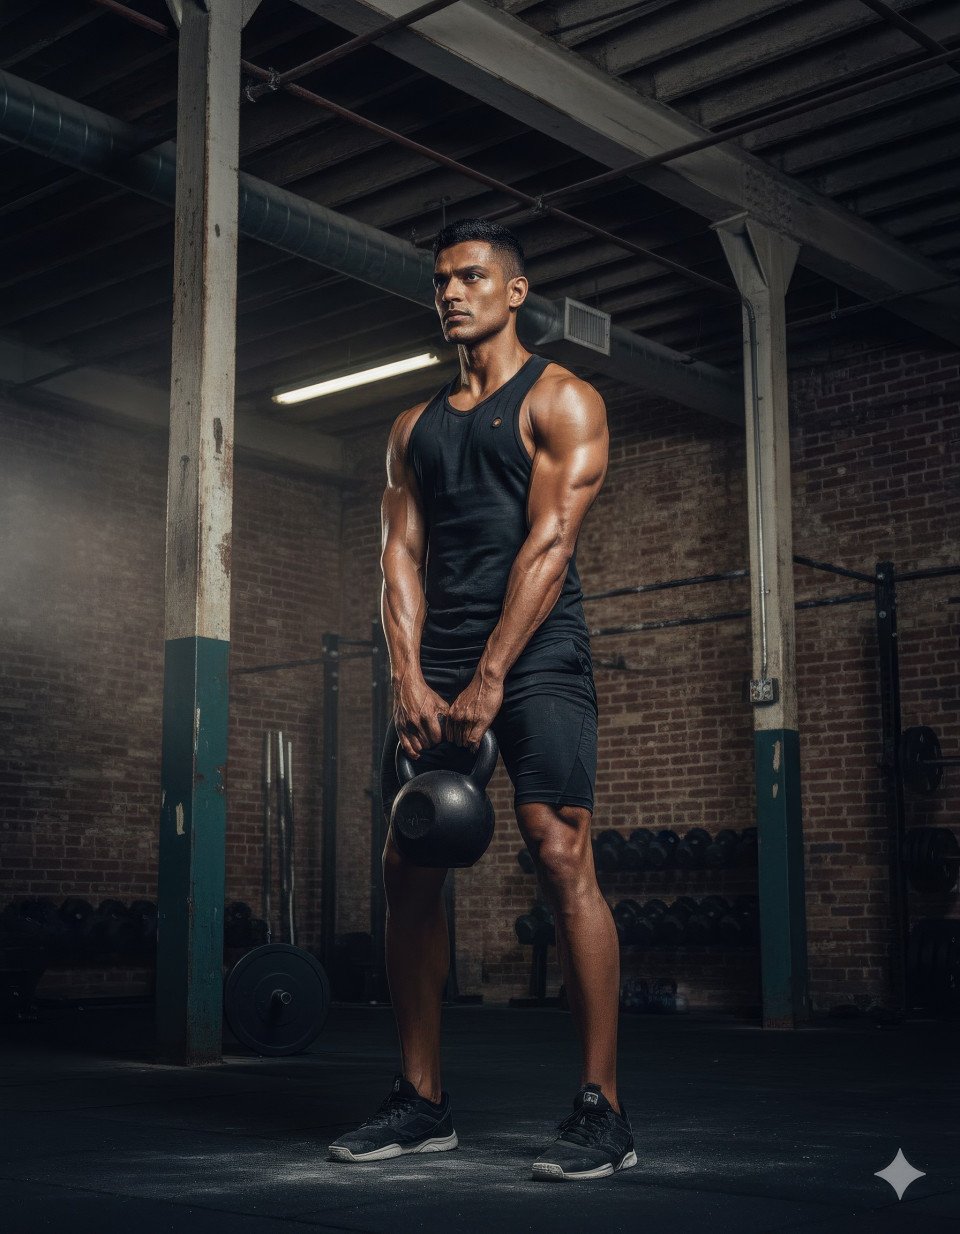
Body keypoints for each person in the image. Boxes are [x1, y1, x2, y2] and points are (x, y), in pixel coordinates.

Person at [328, 218, 635, 1181]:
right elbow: (399, 558)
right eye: (441, 283)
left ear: (515, 291)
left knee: (558, 843)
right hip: (440, 651)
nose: (452, 294)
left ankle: (603, 1111)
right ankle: (421, 1101)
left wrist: (493, 674)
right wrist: (407, 674)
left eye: (470, 278)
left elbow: (549, 546)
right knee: (407, 865)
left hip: (537, 646)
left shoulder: (563, 401)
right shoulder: (411, 429)